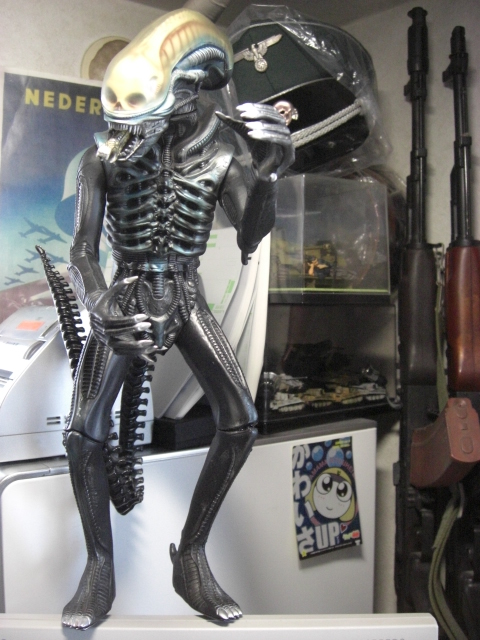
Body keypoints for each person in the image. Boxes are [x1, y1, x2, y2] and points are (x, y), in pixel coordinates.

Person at [57, 8, 293, 630]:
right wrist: (99, 302)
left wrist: (268, 175)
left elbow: (250, 236)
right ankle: (98, 566)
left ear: (186, 95)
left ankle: (190, 556)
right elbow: (82, 249)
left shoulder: (224, 153)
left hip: (186, 292)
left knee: (240, 421)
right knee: (82, 430)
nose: (127, 135)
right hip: (126, 288)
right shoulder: (103, 155)